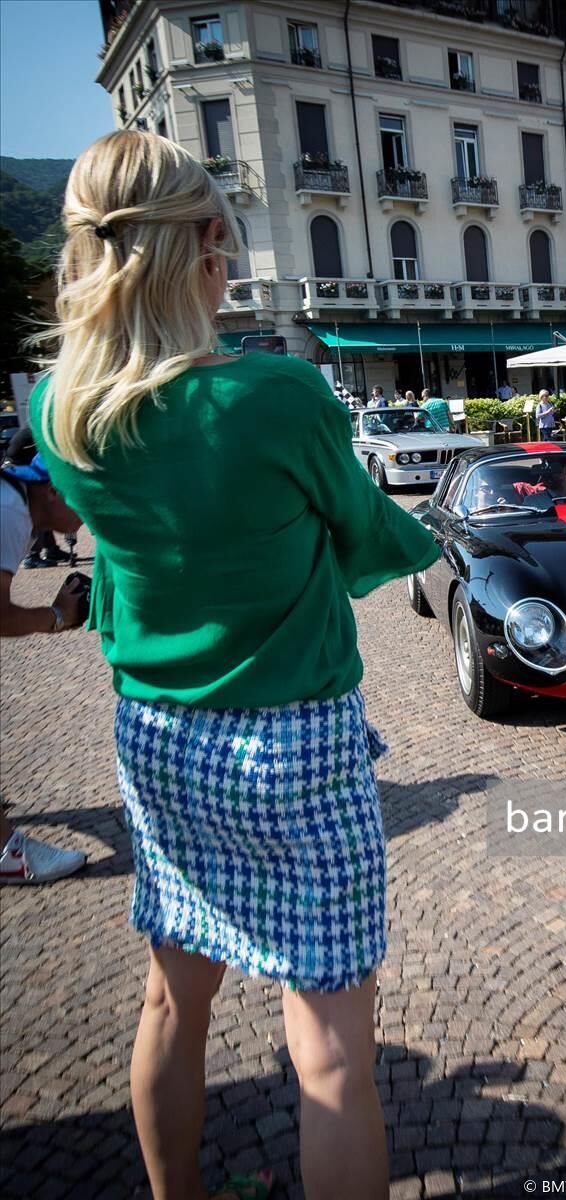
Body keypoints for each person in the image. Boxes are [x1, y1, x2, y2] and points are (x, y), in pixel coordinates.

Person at [30, 131, 439, 1200]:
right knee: (333, 1051)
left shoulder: (60, 405)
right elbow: (364, 536)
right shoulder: (277, 394)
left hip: (158, 736)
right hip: (295, 739)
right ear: (210, 242)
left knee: (171, 1002)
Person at [0, 453, 88, 884]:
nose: (87, 514)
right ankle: (8, 855)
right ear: (53, 490)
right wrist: (54, 617)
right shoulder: (9, 510)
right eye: (83, 498)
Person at [2, 426, 72, 568]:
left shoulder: (43, 429)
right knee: (39, 508)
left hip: (25, 466)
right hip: (19, 467)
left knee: (46, 512)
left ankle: (51, 550)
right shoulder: (44, 433)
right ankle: (32, 556)